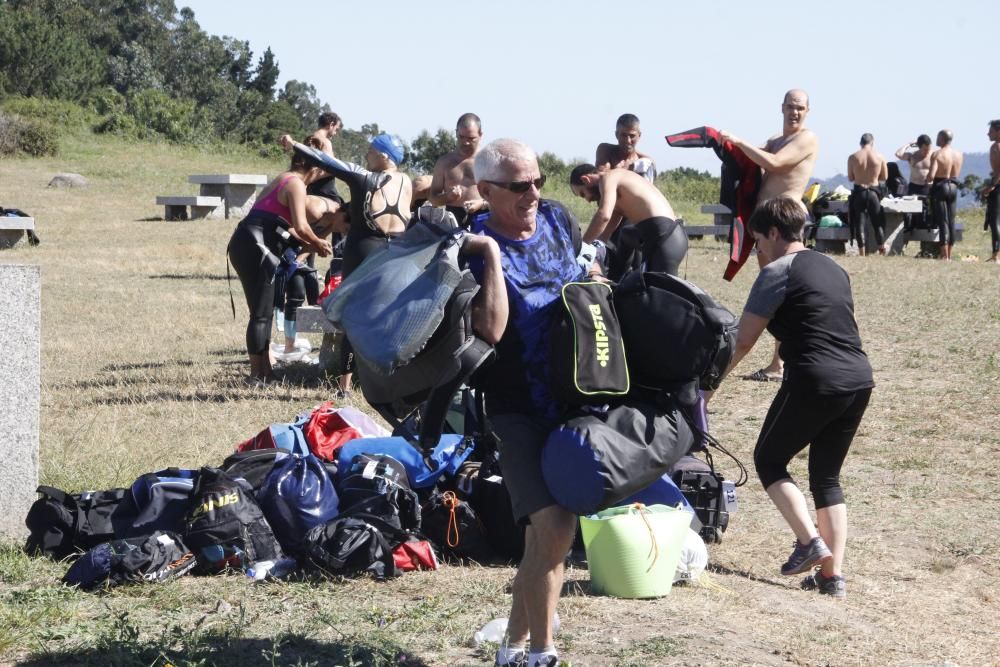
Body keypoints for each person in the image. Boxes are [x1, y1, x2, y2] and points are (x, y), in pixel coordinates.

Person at [708, 197, 873, 599]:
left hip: (816, 379)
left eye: (759, 241)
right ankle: (832, 577)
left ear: (776, 234)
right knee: (826, 478)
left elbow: (743, 341)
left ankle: (808, 542)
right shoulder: (834, 267)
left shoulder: (776, 272)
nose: (756, 251)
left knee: (768, 459)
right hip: (859, 379)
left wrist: (707, 390)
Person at [466, 139, 587, 667]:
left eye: (538, 180)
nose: (533, 193)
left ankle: (511, 649)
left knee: (550, 538)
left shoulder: (559, 219)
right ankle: (543, 654)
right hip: (515, 407)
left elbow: (576, 276)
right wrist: (491, 255)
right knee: (554, 529)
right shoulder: (471, 245)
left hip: (572, 395)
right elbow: (489, 329)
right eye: (519, 186)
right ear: (487, 190)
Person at [720, 89, 819, 382]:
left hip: (786, 221)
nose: (795, 112)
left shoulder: (806, 138)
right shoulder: (775, 140)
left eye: (800, 107)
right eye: (791, 106)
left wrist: (739, 141)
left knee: (784, 292)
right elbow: (751, 158)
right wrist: (725, 146)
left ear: (807, 110)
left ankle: (780, 363)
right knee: (774, 292)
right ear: (782, 107)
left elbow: (774, 164)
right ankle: (779, 362)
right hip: (764, 224)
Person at [227, 146, 333, 384]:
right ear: (313, 168)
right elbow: (302, 226)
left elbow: (290, 227)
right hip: (257, 246)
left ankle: (266, 372)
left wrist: (308, 244)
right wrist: (318, 243)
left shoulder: (284, 178)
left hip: (249, 243)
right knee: (261, 315)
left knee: (261, 313)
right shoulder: (295, 183)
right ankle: (257, 375)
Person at [569, 163, 688, 276]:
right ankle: (618, 280)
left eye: (583, 194)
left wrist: (581, 247)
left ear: (586, 179)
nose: (588, 200)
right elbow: (604, 235)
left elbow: (603, 216)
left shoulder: (609, 177)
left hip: (665, 236)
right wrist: (593, 250)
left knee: (660, 293)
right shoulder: (618, 197)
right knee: (626, 235)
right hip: (661, 235)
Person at [429, 113, 488, 226]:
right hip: (453, 221)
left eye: (471, 138)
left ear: (480, 135)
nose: (465, 142)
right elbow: (433, 199)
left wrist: (482, 203)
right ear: (456, 132)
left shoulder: (489, 161)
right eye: (462, 137)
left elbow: (504, 198)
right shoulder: (444, 162)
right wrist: (448, 196)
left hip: (483, 219)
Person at [846, 133, 888, 255]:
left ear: (861, 143)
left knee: (859, 223)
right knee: (877, 222)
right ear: (872, 143)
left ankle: (862, 252)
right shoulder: (879, 156)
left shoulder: (853, 157)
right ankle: (881, 249)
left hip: (859, 191)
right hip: (874, 191)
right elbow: (884, 177)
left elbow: (850, 177)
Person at [927, 129, 964, 261]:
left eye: (937, 137)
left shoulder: (937, 154)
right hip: (954, 186)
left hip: (940, 187)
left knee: (943, 221)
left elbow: (931, 176)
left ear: (942, 138)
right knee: (951, 221)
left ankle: (944, 255)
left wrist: (927, 178)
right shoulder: (959, 154)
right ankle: (950, 253)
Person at [595, 113, 657, 182]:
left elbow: (646, 189)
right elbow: (601, 177)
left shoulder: (643, 162)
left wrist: (629, 168)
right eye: (623, 135)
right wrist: (625, 170)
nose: (628, 140)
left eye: (632, 136)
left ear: (639, 136)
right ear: (616, 135)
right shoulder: (606, 150)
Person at [895, 134, 933, 231]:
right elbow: (898, 154)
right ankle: (909, 227)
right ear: (919, 147)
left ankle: (926, 227)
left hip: (927, 187)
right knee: (911, 211)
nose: (926, 152)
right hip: (914, 186)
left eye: (928, 149)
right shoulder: (913, 156)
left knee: (926, 211)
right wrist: (909, 144)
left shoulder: (933, 156)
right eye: (924, 149)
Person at [980, 120, 1000, 263]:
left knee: (996, 222)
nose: (988, 133)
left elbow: (999, 171)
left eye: (991, 131)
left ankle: (996, 255)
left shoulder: (995, 147)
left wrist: (992, 185)